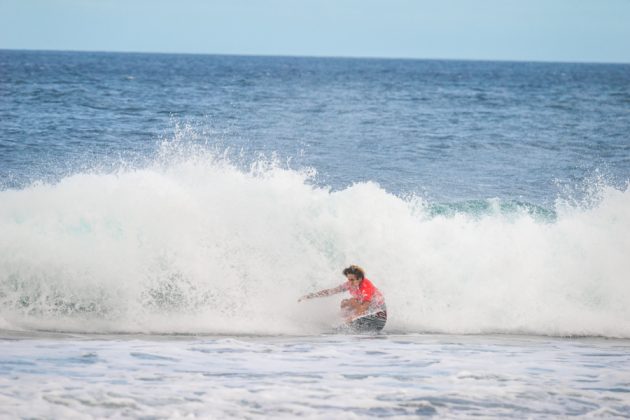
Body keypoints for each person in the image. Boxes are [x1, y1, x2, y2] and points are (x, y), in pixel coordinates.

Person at [298, 265, 387, 332]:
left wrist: (353, 317)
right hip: (366, 309)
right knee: (344, 303)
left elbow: (366, 304)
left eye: (352, 280)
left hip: (379, 312)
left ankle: (351, 318)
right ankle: (342, 320)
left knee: (352, 301)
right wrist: (311, 295)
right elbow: (331, 291)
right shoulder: (349, 284)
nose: (350, 282)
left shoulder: (365, 285)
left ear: (359, 278)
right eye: (348, 279)